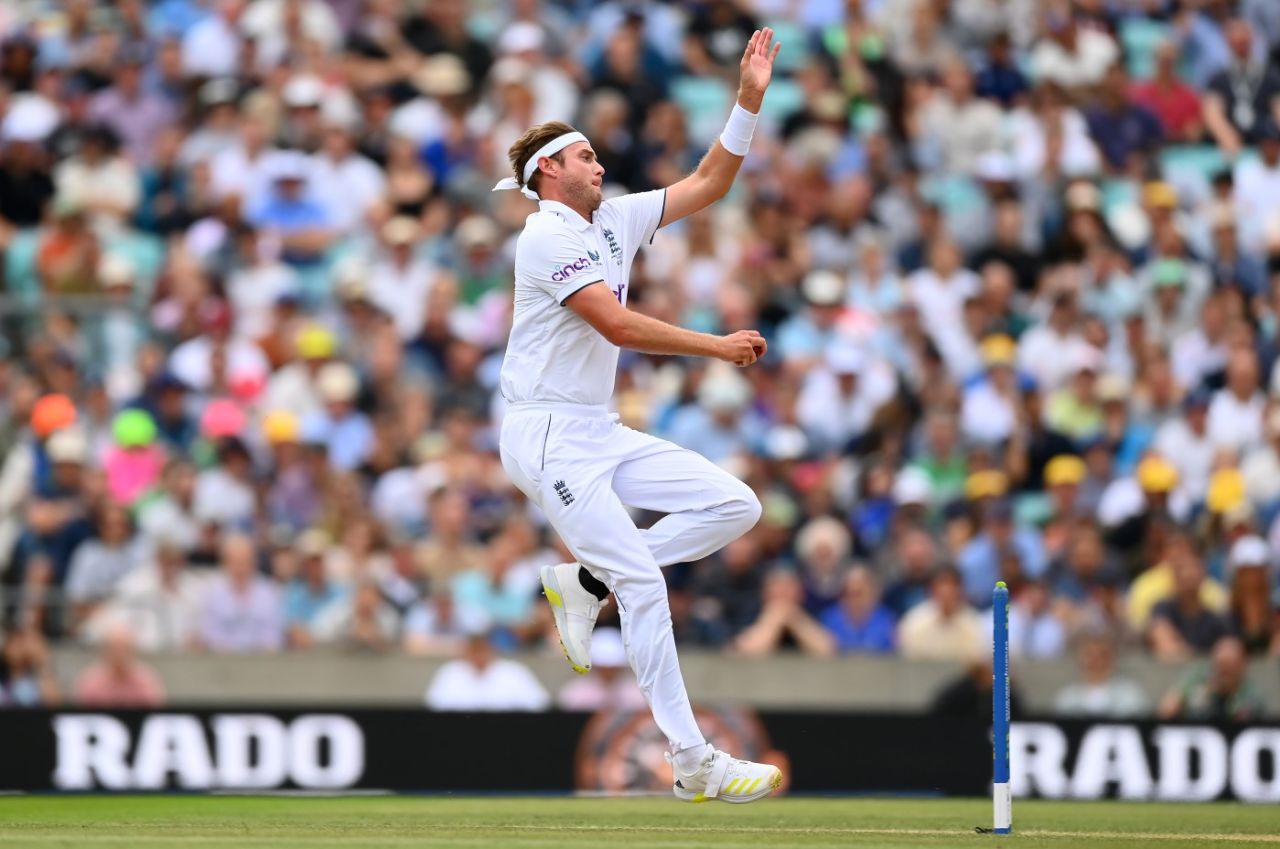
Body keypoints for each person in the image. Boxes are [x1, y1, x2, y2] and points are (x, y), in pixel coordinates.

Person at [494, 28, 783, 804]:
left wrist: (747, 101)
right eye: (585, 156)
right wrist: (716, 346)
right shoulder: (544, 234)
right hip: (546, 435)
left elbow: (710, 182)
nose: (599, 165)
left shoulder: (613, 219)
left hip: (594, 426)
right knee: (646, 585)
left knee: (736, 506)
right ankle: (693, 760)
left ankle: (587, 580)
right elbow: (617, 326)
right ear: (549, 171)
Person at [423, 632, 550, 712]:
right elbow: (433, 705)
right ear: (467, 651)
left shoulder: (514, 672)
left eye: (483, 649)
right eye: (475, 650)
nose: (479, 655)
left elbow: (540, 704)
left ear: (492, 649)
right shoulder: (450, 673)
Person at [1158, 635, 1265, 721]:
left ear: (1242, 666)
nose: (1225, 671)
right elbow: (1166, 710)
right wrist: (1203, 694)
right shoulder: (1198, 677)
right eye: (1221, 664)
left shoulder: (1250, 695)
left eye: (1231, 664)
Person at [1053, 632, 1149, 717]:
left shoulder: (1130, 694)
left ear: (1112, 660)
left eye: (1102, 655)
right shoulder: (1068, 697)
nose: (1096, 661)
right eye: (1090, 655)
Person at [74, 623, 165, 708]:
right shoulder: (90, 680)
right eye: (114, 649)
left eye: (124, 649)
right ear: (105, 651)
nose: (119, 654)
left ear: (133, 651)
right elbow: (82, 714)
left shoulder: (145, 679)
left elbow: (155, 711)